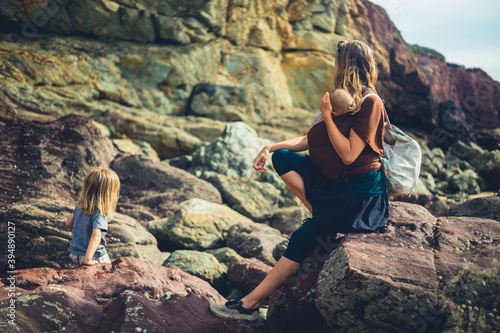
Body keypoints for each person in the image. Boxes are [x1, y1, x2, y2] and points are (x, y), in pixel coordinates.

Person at [210, 40, 390, 321]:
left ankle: (248, 305)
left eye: (337, 62)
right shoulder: (341, 98)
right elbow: (310, 139)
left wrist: (329, 117)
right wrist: (270, 146)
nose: (334, 67)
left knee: (304, 236)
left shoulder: (371, 102)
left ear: (345, 65)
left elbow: (349, 154)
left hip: (359, 196)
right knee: (282, 157)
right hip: (338, 185)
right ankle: (322, 215)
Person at [65, 167, 121, 266]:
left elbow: (68, 223)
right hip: (94, 255)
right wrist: (87, 259)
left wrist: (82, 231)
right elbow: (96, 236)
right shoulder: (100, 213)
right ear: (108, 194)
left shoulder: (80, 206)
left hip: (75, 254)